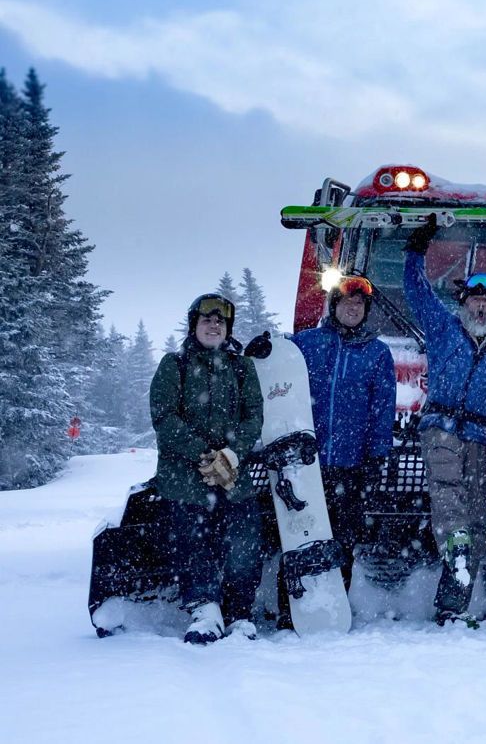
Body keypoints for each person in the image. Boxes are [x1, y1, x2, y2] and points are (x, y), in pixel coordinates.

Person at [402, 216, 486, 626]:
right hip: (440, 427)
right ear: (463, 304)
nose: (479, 306)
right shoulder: (443, 329)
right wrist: (415, 250)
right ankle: (453, 544)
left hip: (479, 434)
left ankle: (451, 606)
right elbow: (416, 290)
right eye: (473, 300)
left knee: (476, 521)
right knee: (447, 493)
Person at [149, 293, 265, 644]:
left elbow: (253, 416)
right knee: (193, 540)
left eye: (221, 322)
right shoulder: (175, 365)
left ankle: (240, 612)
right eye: (206, 320)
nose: (214, 325)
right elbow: (164, 417)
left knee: (245, 539)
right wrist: (203, 455)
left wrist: (230, 454)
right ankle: (204, 609)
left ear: (228, 329)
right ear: (193, 325)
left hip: (232, 474)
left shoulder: (242, 368)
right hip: (186, 475)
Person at [285, 274, 397, 590]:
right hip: (308, 463)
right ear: (334, 304)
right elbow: (276, 368)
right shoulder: (306, 343)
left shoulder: (377, 353)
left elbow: (382, 409)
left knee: (343, 536)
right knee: (301, 532)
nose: (353, 307)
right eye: (347, 301)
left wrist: (376, 457)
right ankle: (293, 599)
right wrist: (264, 350)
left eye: (360, 303)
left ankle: (335, 594)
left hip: (351, 465)